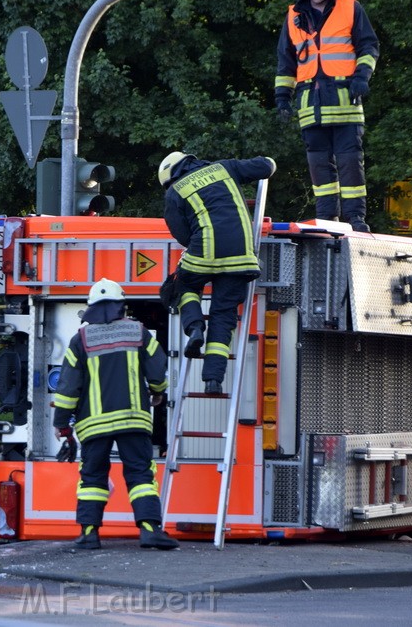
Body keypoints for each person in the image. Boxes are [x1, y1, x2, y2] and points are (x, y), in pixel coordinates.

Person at [52, 278, 178, 551]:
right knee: (140, 474)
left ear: (91, 308)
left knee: (93, 477)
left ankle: (88, 534)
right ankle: (149, 530)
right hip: (134, 420)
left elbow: (67, 388)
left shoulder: (80, 340)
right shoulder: (139, 333)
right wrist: (158, 392)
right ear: (122, 306)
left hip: (93, 425)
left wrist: (62, 424)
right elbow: (158, 371)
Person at [275, 0, 380, 232]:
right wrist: (282, 96)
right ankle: (326, 218)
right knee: (318, 165)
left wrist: (362, 77)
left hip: (345, 98)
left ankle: (355, 218)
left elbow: (369, 47)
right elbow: (286, 61)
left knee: (349, 162)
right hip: (311, 103)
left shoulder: (350, 8)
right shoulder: (294, 16)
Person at [158, 151, 276, 394]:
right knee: (224, 314)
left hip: (203, 253)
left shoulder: (174, 192)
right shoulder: (224, 168)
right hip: (241, 257)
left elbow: (181, 234)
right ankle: (213, 379)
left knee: (184, 287)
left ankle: (195, 328)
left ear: (171, 176)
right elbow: (267, 166)